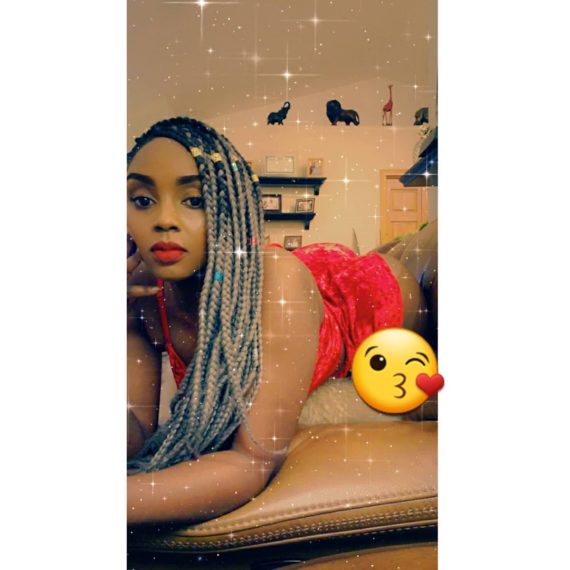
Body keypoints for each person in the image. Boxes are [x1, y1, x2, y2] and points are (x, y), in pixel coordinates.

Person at [127, 117, 425, 525]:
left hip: (367, 294)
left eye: (194, 200)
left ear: (229, 209)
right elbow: (136, 434)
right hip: (298, 289)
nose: (164, 219)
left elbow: (251, 462)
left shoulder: (278, 282)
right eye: (143, 199)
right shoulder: (143, 295)